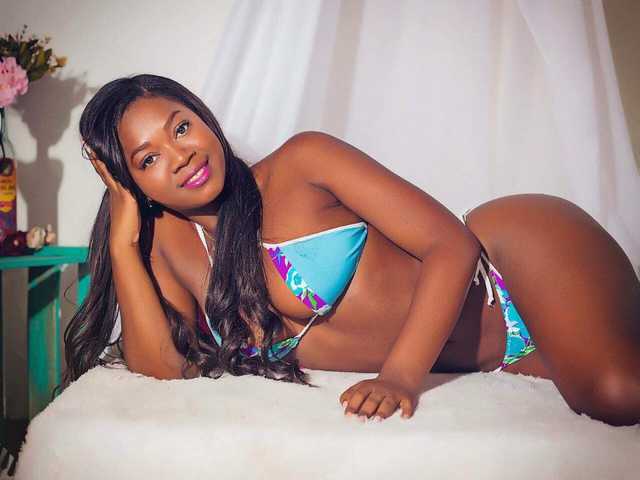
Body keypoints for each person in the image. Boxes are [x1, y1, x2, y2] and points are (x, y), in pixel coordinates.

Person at [64, 74, 640, 426]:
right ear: (130, 184)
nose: (181, 154)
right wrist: (122, 241)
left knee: (618, 395)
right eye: (148, 159)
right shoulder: (169, 246)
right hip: (494, 356)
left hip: (515, 262)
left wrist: (401, 378)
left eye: (181, 128)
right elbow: (162, 369)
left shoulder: (301, 164)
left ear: (203, 119)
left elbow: (451, 244)